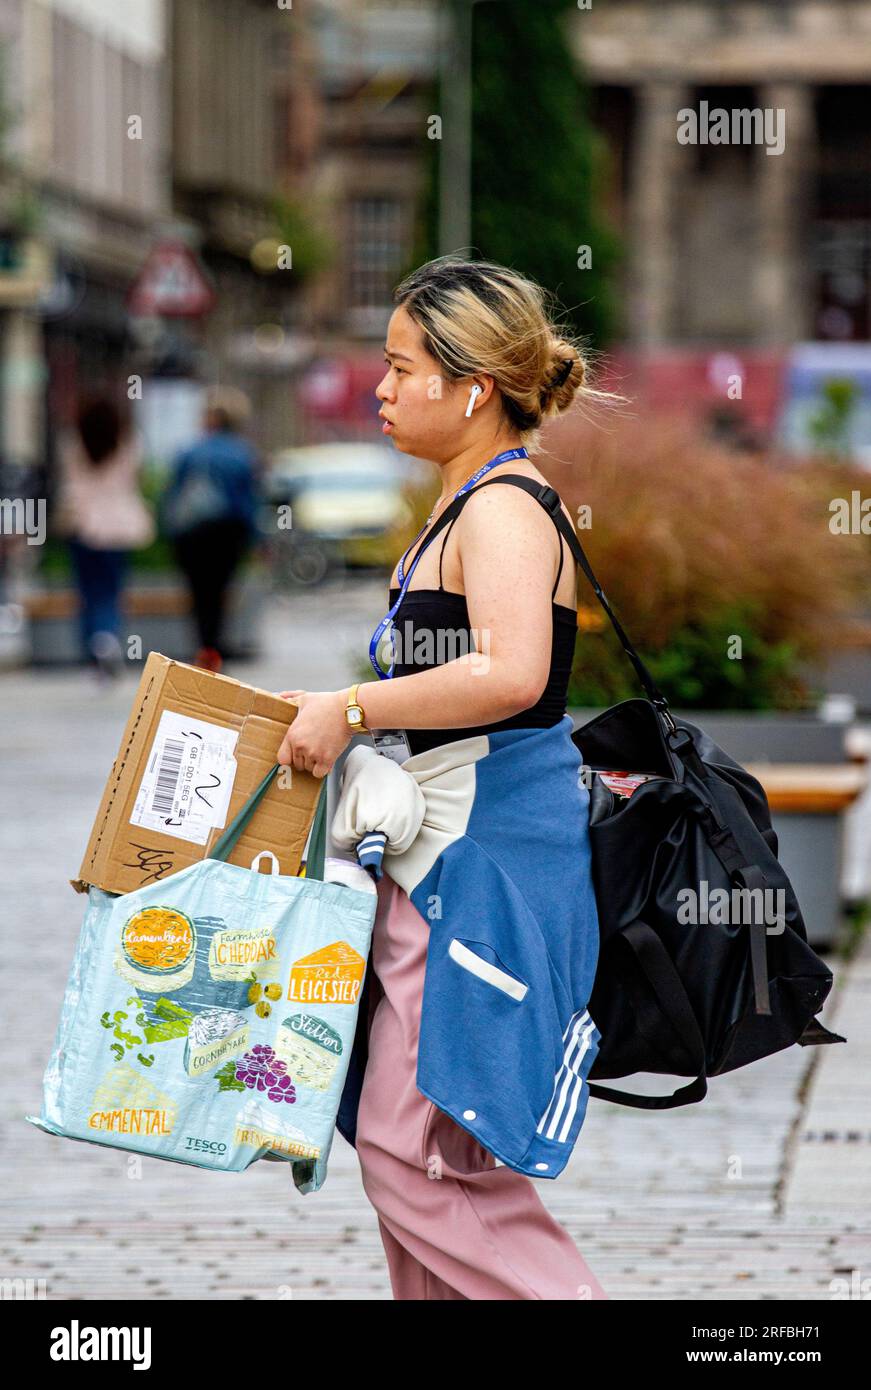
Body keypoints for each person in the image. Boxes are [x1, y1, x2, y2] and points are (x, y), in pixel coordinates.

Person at [275, 255, 618, 1300]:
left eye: (398, 367)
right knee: (435, 1153)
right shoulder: (468, 500)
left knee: (410, 1154)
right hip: (448, 861)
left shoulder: (502, 507)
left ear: (471, 388)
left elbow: (511, 673)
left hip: (486, 869)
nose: (377, 389)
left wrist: (354, 706)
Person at [162, 386, 261, 672]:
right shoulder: (242, 454)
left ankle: (203, 647)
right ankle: (216, 648)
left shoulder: (189, 451)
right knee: (220, 591)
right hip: (228, 534)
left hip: (191, 535)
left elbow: (173, 496)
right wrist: (255, 539)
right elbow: (249, 502)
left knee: (197, 593)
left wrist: (171, 533)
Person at [56, 392, 155, 680]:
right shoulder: (128, 441)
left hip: (82, 521)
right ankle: (107, 637)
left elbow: (69, 480)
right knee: (112, 589)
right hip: (119, 524)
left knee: (87, 590)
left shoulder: (72, 441)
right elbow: (137, 479)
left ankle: (94, 648)